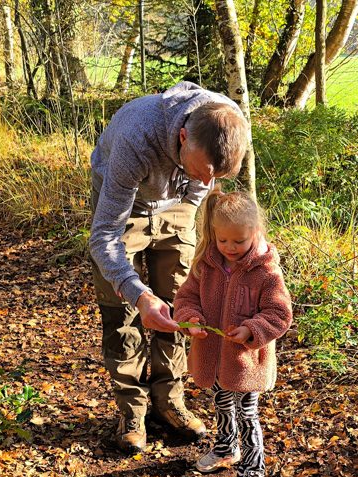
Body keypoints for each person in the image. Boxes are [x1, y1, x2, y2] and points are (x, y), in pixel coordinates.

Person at [89, 81, 250, 455]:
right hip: (122, 203)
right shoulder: (137, 136)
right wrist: (139, 293)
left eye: (217, 177)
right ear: (181, 137)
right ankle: (132, 410)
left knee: (181, 302)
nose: (209, 185)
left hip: (177, 203)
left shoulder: (230, 124)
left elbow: (203, 189)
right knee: (123, 309)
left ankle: (169, 400)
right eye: (203, 172)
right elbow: (104, 236)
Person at [173, 191, 293, 477]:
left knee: (246, 414)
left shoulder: (265, 271)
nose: (229, 248)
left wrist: (252, 329)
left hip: (246, 363)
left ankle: (253, 475)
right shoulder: (207, 264)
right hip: (213, 358)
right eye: (222, 240)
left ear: (255, 232)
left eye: (238, 241)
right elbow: (186, 299)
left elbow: (279, 314)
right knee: (222, 403)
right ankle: (227, 447)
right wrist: (191, 319)